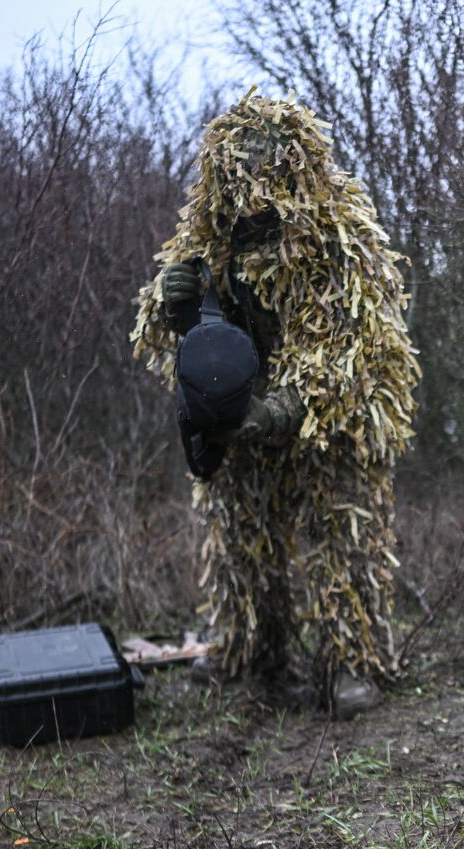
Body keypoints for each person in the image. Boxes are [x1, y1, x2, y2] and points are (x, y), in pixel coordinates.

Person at [131, 92, 421, 714]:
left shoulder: (339, 241)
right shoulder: (208, 240)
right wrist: (169, 302)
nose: (255, 194)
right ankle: (245, 650)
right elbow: (172, 348)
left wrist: (273, 413)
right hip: (241, 421)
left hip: (333, 426)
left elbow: (345, 360)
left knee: (342, 537)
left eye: (268, 175)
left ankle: (351, 663)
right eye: (241, 176)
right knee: (238, 536)